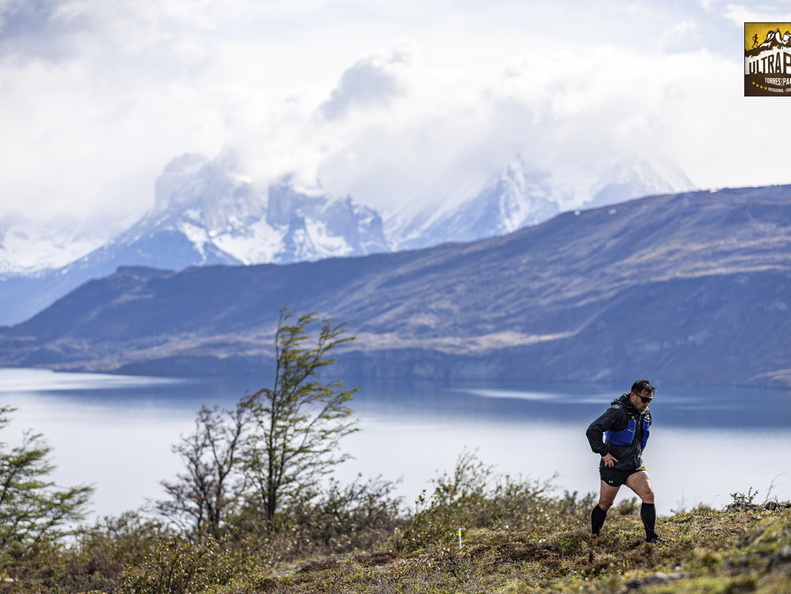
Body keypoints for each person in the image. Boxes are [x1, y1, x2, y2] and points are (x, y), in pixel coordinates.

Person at [585, 379, 661, 543]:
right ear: (633, 395)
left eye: (650, 400)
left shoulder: (645, 412)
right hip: (614, 466)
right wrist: (604, 453)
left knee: (649, 494)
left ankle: (651, 538)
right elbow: (593, 430)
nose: (647, 403)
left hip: (634, 465)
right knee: (605, 503)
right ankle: (594, 538)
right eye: (644, 399)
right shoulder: (617, 412)